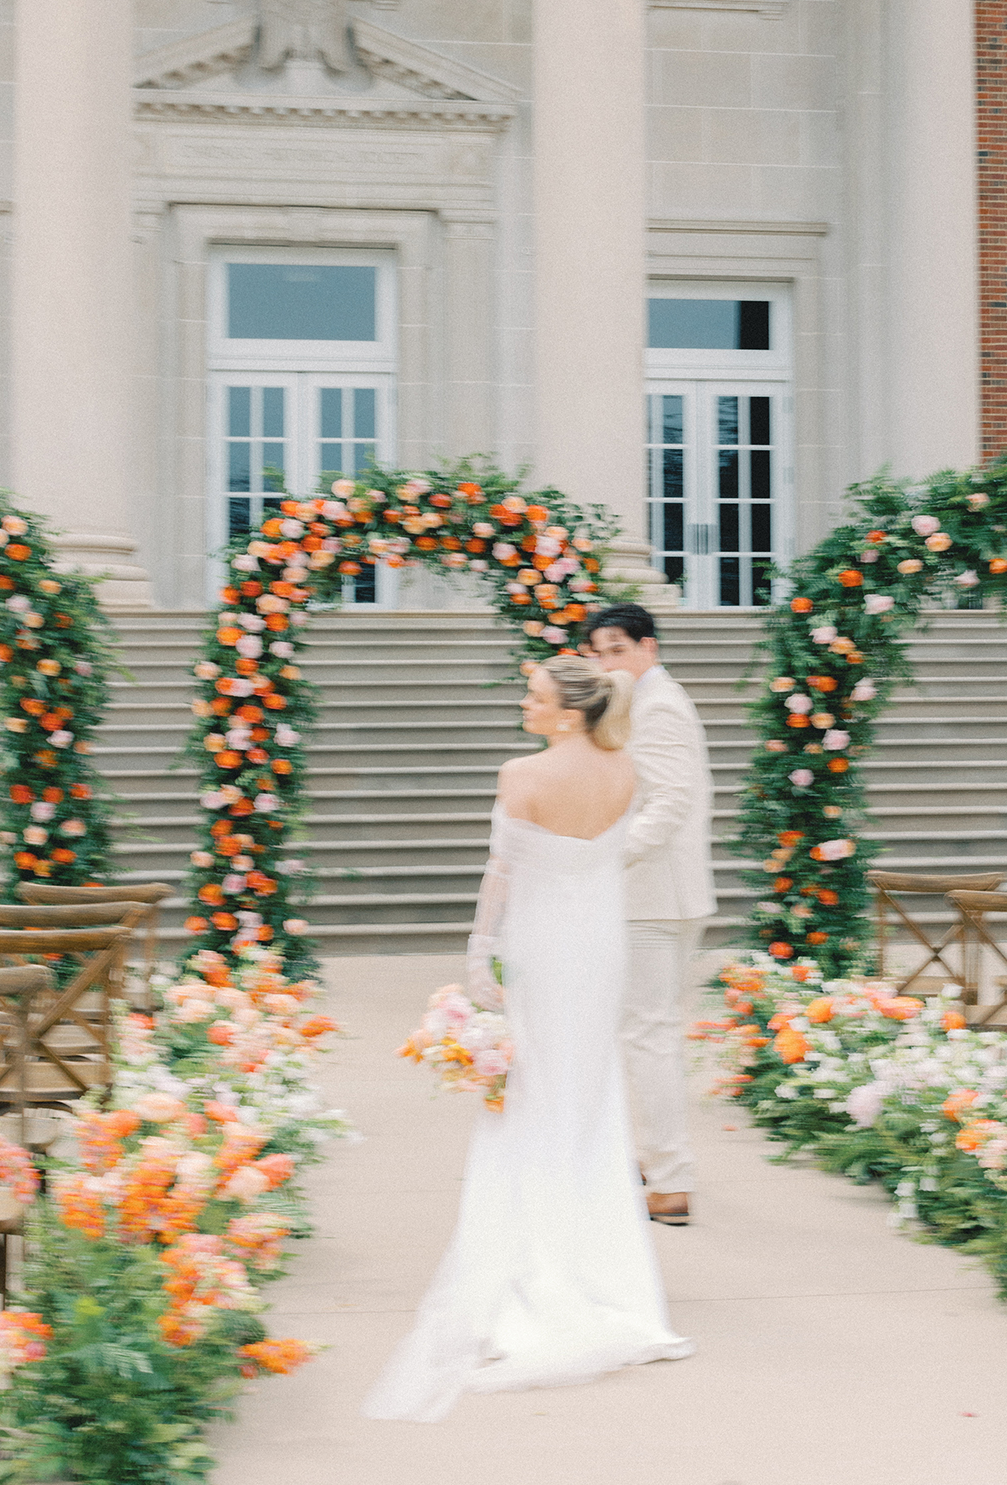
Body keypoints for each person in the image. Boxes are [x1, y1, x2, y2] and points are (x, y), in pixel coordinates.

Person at [363, 655, 695, 1423]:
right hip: (598, 945)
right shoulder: (622, 773)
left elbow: (502, 872)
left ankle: (535, 1265)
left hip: (545, 944)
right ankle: (601, 1264)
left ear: (567, 712)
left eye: (535, 695)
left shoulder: (523, 773)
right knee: (586, 1091)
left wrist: (481, 947)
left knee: (530, 1093)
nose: (525, 702)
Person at [585, 604, 716, 1228]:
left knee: (648, 1036)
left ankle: (669, 1179)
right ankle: (656, 1159)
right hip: (652, 896)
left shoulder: (660, 704)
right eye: (597, 652)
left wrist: (605, 860)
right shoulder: (643, 700)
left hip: (654, 898)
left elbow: (669, 802)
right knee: (642, 1033)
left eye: (617, 650)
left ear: (649, 649)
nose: (606, 663)